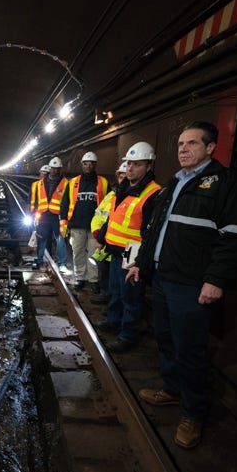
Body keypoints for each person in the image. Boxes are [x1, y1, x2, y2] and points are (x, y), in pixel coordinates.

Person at [126, 122, 237, 449]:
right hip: (163, 278)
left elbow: (236, 237)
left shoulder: (230, 184)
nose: (183, 149)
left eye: (192, 143)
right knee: (166, 340)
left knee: (190, 349)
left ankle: (193, 413)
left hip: (191, 284)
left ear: (211, 147)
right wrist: (141, 263)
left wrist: (215, 280)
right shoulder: (175, 183)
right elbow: (155, 230)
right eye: (181, 144)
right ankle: (172, 390)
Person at [98, 143, 161, 353]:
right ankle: (113, 321)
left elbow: (150, 232)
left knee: (131, 297)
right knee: (116, 291)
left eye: (137, 164)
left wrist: (140, 259)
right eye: (129, 163)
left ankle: (128, 335)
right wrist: (104, 237)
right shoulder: (124, 187)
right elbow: (114, 216)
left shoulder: (153, 193)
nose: (131, 168)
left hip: (133, 252)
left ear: (149, 166)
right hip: (116, 250)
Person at [59, 151, 109, 291]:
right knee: (78, 253)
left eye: (91, 164)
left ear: (95, 165)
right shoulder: (73, 183)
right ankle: (80, 277)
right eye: (86, 164)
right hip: (76, 224)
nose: (89, 166)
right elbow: (65, 203)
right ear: (82, 165)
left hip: (95, 227)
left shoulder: (103, 182)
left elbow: (109, 203)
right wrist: (64, 222)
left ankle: (93, 279)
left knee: (93, 254)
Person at [90, 161, 127, 304]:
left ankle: (114, 303)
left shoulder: (132, 198)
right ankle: (106, 297)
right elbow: (98, 214)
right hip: (105, 243)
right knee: (104, 272)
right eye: (121, 177)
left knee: (118, 280)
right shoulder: (111, 196)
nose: (123, 180)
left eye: (125, 177)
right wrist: (96, 231)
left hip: (120, 247)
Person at [32, 156, 68, 271]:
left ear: (60, 169)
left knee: (60, 239)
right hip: (43, 215)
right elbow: (36, 200)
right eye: (53, 168)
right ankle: (39, 260)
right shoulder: (40, 183)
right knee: (41, 238)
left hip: (58, 216)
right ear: (50, 168)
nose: (55, 170)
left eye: (57, 168)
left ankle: (62, 263)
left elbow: (68, 201)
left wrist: (65, 217)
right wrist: (35, 213)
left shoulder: (66, 183)